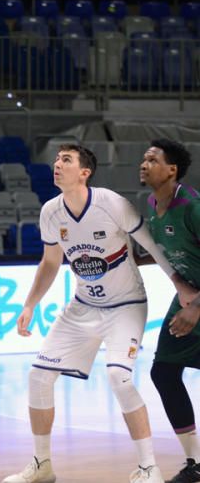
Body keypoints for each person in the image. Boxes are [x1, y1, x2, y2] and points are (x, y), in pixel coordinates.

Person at [4, 144, 183, 483]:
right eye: (56, 159)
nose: (57, 164)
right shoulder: (50, 212)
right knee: (38, 377)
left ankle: (149, 467)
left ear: (84, 172)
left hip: (126, 304)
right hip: (83, 305)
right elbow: (51, 262)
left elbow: (152, 246)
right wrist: (30, 303)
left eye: (66, 160)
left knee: (119, 376)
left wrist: (181, 286)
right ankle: (42, 466)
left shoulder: (112, 203)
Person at [140, 139, 200, 483]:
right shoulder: (151, 204)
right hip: (189, 298)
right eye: (143, 159)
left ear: (172, 170)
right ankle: (196, 463)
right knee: (163, 372)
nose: (143, 164)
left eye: (152, 159)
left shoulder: (192, 208)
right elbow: (165, 252)